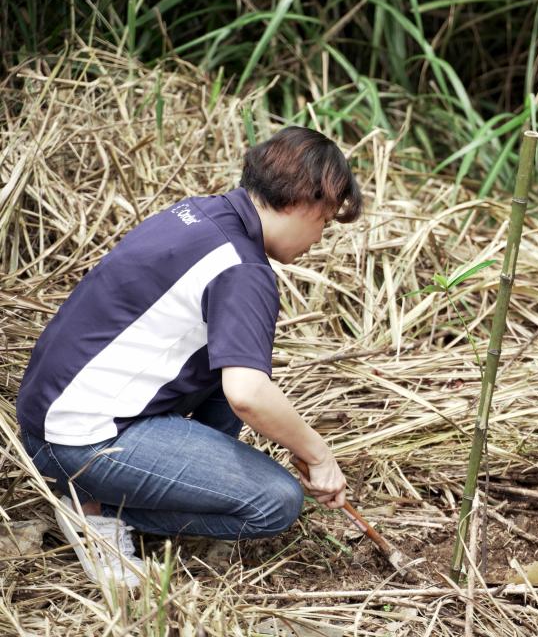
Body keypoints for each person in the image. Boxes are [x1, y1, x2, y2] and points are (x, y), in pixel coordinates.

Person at [18, 127, 362, 588]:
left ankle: (137, 484)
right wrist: (317, 455)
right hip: (80, 442)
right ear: (305, 200)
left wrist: (291, 439)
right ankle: (95, 511)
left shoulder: (196, 213)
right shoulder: (243, 269)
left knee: (240, 359)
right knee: (276, 502)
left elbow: (240, 383)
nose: (321, 236)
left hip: (50, 412)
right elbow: (247, 395)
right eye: (324, 220)